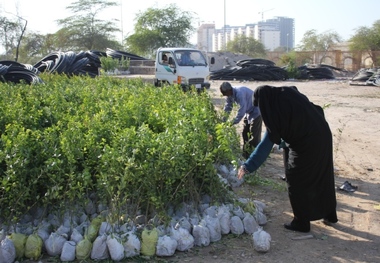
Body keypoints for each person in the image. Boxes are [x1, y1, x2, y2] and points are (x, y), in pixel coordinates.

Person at [237, 85, 338, 233]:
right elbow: (310, 114)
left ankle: (301, 222)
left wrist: (247, 167)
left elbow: (265, 145)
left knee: (296, 179)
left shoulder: (276, 113)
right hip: (322, 135)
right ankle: (330, 214)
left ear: (265, 102)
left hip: (307, 143)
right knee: (322, 175)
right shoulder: (289, 96)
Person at [220, 82, 262, 158]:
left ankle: (256, 157)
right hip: (249, 112)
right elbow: (228, 107)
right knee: (245, 133)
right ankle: (246, 155)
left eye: (225, 93)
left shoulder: (239, 93)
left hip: (256, 111)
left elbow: (242, 110)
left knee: (254, 135)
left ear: (229, 90)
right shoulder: (229, 95)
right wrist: (223, 120)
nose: (224, 95)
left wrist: (233, 122)